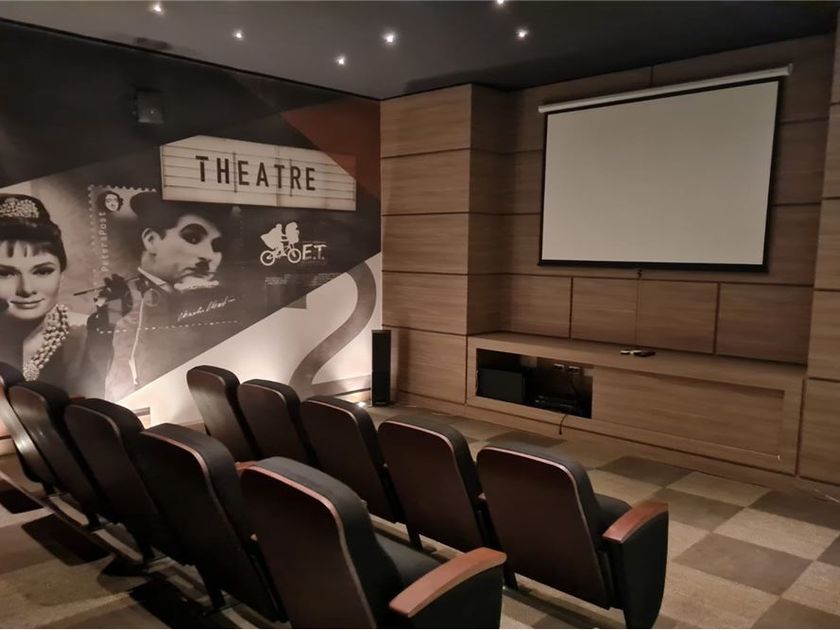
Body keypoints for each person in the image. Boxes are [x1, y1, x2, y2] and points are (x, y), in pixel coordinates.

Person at [104, 191, 235, 399]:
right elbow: (118, 362)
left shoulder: (209, 301)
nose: (209, 256)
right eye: (192, 238)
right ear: (151, 240)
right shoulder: (121, 298)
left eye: (217, 246)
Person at [0, 194, 103, 394]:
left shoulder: (84, 336)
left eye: (42, 271)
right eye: (5, 274)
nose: (26, 289)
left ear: (61, 273)